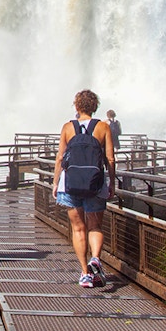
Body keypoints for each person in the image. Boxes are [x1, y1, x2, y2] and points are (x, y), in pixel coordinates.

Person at [52, 89, 116, 288]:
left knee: (78, 228)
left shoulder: (67, 127)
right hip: (95, 184)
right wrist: (112, 182)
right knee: (95, 226)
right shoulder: (103, 127)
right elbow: (110, 158)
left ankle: (85, 273)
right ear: (95, 107)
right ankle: (95, 258)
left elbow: (60, 158)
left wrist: (55, 182)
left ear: (77, 106)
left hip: (70, 184)